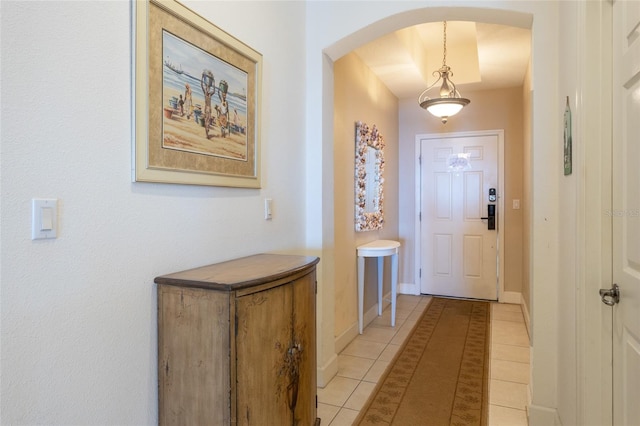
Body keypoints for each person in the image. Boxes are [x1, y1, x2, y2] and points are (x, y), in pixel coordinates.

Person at [200, 70, 215, 138]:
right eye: (207, 88)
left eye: (208, 88)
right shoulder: (205, 93)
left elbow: (214, 91)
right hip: (206, 109)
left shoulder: (210, 94)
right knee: (206, 121)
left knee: (208, 122)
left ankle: (207, 132)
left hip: (209, 109)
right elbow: (201, 85)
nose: (207, 89)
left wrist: (214, 82)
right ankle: (207, 134)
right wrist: (202, 77)